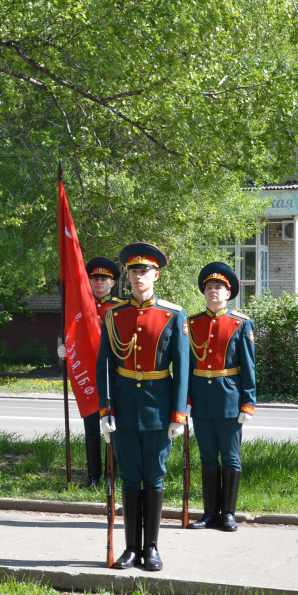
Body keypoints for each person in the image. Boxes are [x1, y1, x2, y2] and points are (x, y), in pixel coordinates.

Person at [95, 242, 188, 571]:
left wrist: (179, 414)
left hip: (159, 409)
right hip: (122, 407)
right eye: (133, 271)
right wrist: (105, 411)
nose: (138, 276)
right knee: (131, 478)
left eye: (144, 271)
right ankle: (131, 548)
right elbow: (103, 366)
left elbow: (182, 368)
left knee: (154, 477)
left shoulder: (173, 315)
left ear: (156, 275)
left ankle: (152, 548)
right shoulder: (113, 315)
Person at [186, 261, 256, 532]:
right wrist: (186, 401)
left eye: (219, 287)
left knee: (230, 457)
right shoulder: (192, 323)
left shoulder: (240, 323)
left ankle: (228, 513)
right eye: (209, 287)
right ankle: (209, 513)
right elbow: (188, 366)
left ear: (228, 294)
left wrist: (248, 402)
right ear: (204, 293)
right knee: (207, 458)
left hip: (230, 399)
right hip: (201, 399)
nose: (213, 291)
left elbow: (248, 367)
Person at [57, 256, 124, 488]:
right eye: (95, 278)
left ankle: (112, 477)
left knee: (112, 426)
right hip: (87, 375)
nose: (99, 283)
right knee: (91, 428)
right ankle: (93, 477)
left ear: (113, 282)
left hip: (111, 375)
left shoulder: (118, 308)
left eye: (104, 279)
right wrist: (66, 348)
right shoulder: (79, 307)